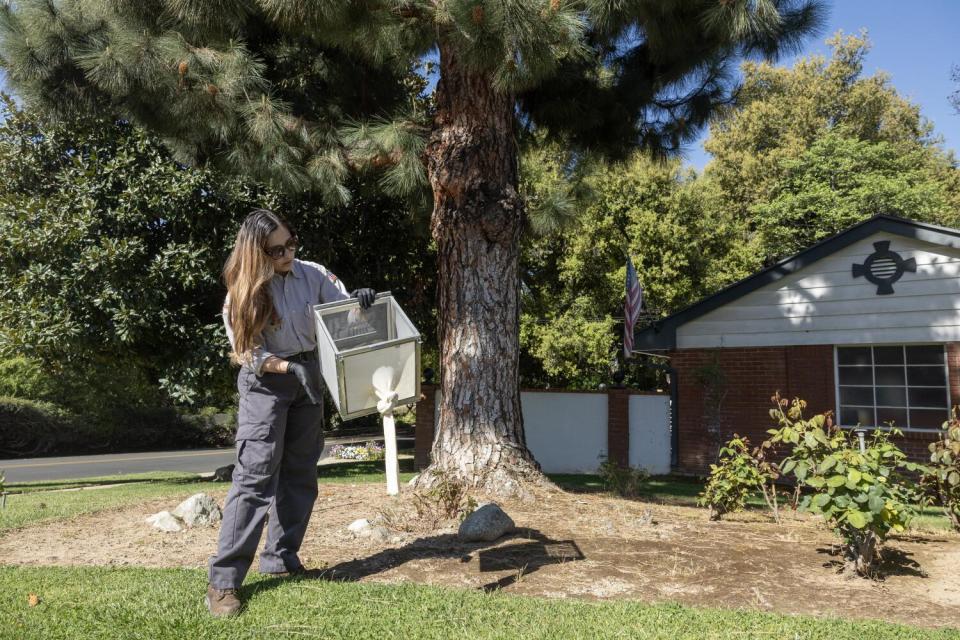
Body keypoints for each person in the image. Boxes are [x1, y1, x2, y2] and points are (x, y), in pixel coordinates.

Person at [205, 208, 376, 617]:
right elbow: (247, 353)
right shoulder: (241, 294)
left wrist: (362, 304)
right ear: (257, 254)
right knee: (255, 476)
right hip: (266, 380)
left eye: (291, 243)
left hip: (308, 375)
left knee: (300, 471)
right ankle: (224, 582)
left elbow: (343, 318)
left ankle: (281, 559)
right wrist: (288, 367)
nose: (287, 254)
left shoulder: (312, 273)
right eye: (276, 250)